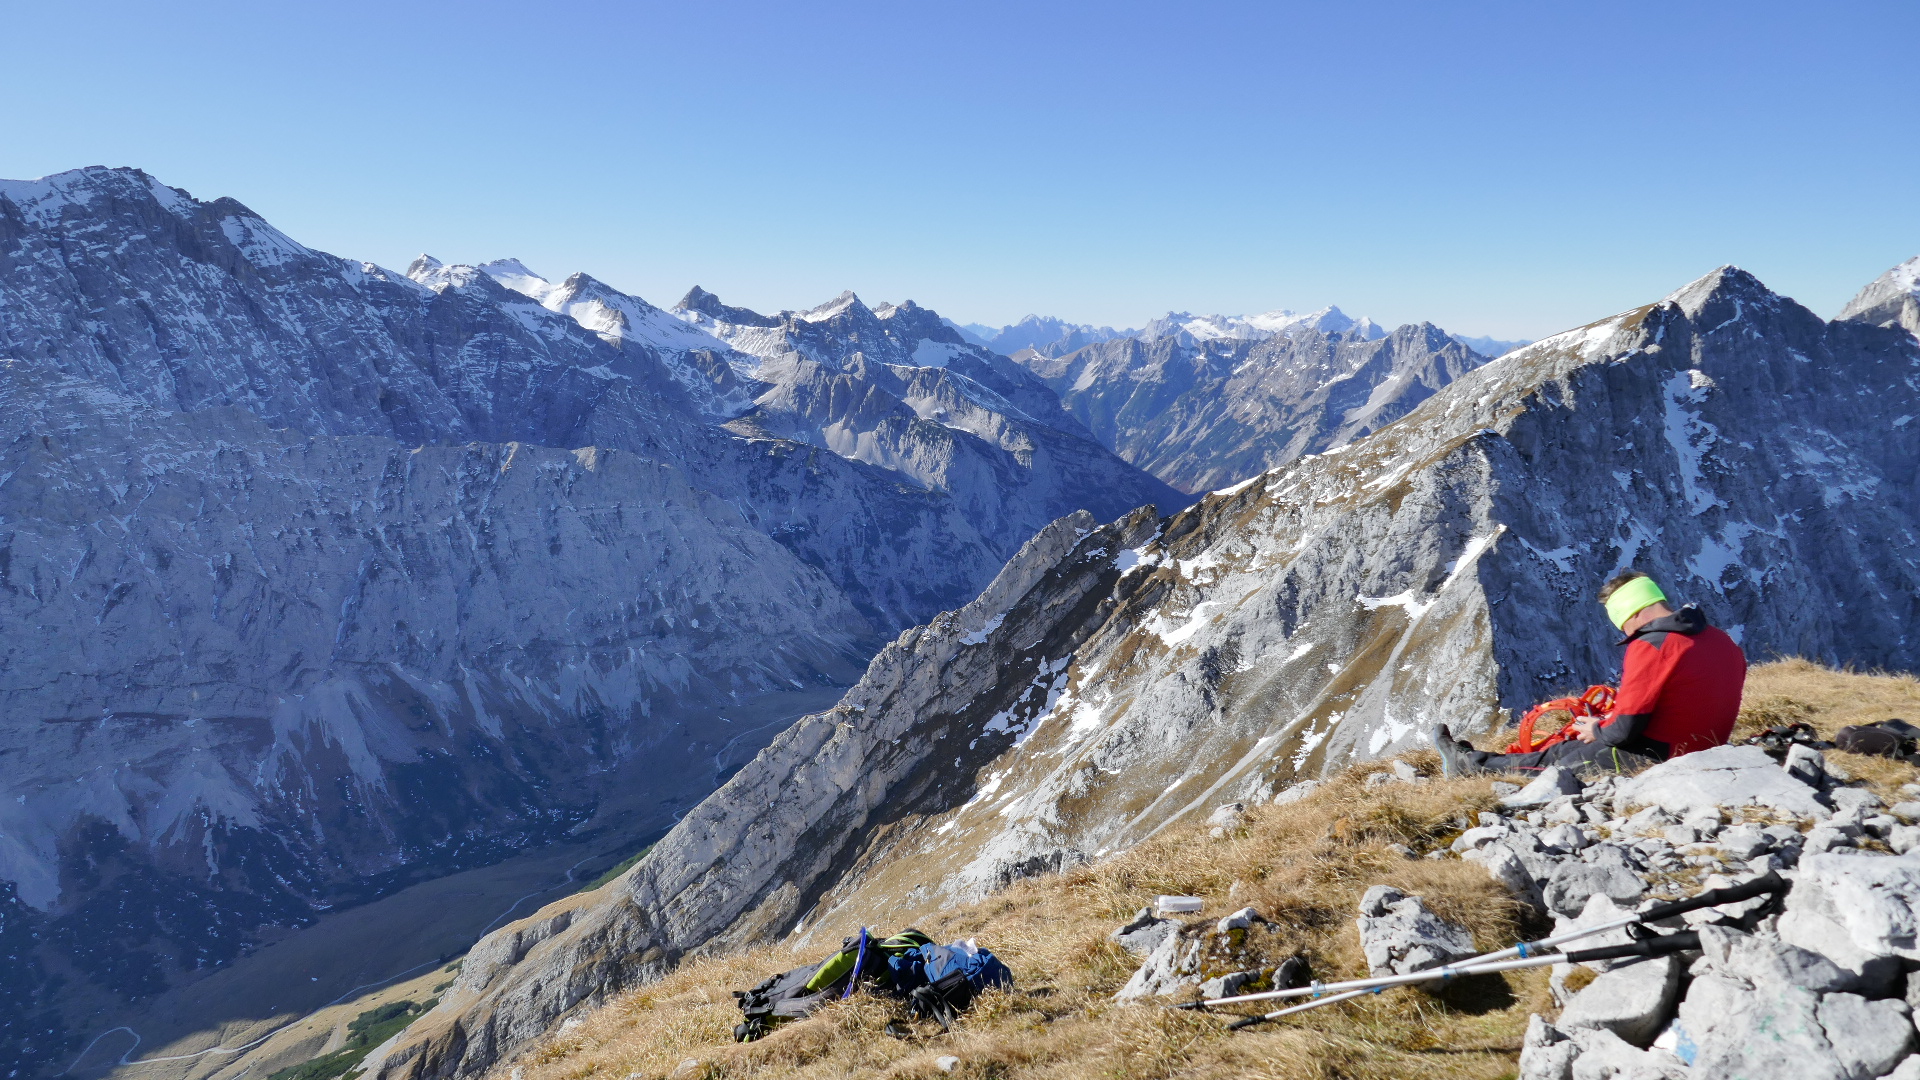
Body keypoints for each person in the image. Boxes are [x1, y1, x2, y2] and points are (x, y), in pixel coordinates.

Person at [1429, 570, 1747, 777]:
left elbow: (1623, 732)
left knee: (1553, 767)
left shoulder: (1651, 646)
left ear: (1631, 612)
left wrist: (1598, 728)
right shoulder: (1720, 639)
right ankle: (1471, 759)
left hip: (1660, 757)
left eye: (1622, 623)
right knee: (1560, 751)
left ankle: (1468, 766)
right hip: (1706, 747)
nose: (1625, 632)